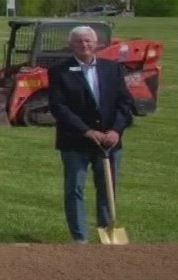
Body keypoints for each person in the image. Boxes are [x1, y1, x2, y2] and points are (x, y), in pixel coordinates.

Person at [46, 24, 136, 241]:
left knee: (107, 188)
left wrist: (116, 130)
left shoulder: (111, 68)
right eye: (79, 41)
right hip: (75, 142)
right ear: (70, 45)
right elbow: (59, 107)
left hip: (109, 142)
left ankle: (106, 230)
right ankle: (80, 237)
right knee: (74, 189)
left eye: (88, 41)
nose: (84, 45)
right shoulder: (59, 71)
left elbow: (125, 103)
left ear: (96, 44)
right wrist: (86, 131)